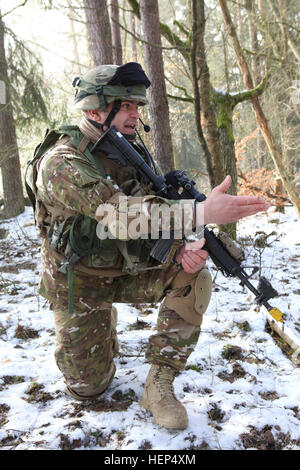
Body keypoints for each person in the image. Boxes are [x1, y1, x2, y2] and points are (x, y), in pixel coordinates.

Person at [28, 62, 270, 430]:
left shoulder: (127, 149)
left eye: (136, 107)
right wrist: (201, 211)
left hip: (125, 268)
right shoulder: (61, 162)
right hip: (80, 284)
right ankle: (98, 323)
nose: (135, 114)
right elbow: (121, 215)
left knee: (193, 275)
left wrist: (178, 251)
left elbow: (150, 210)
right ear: (95, 108)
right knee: (89, 390)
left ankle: (158, 385)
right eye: (126, 106)